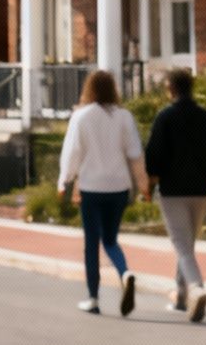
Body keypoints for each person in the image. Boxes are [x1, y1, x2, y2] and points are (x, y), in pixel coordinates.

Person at [58, 70, 149, 317]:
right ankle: (124, 272)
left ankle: (93, 297)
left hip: (92, 187)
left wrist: (64, 181)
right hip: (118, 187)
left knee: (91, 243)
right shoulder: (124, 117)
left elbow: (72, 152)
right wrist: (143, 184)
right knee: (110, 240)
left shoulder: (81, 116)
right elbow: (135, 153)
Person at [145, 68, 206, 323]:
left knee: (181, 246)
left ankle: (197, 287)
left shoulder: (165, 118)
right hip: (201, 190)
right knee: (187, 245)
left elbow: (154, 156)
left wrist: (149, 183)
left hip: (173, 191)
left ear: (171, 88)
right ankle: (180, 296)